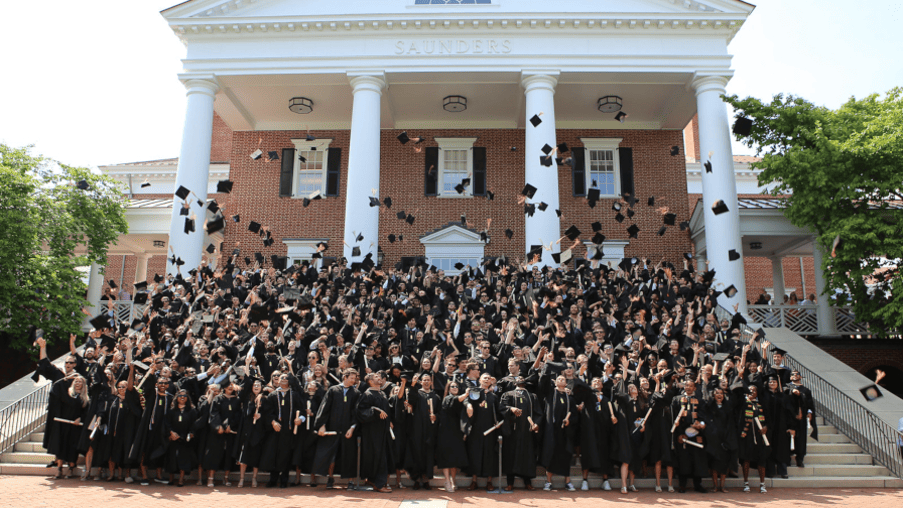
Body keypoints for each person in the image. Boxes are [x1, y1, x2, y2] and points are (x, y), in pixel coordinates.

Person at [312, 368, 360, 489]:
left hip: (348, 430)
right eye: (352, 378)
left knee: (349, 455)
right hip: (332, 429)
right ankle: (330, 478)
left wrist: (353, 428)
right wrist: (321, 425)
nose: (354, 381)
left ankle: (350, 481)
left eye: (355, 379)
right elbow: (324, 408)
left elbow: (356, 413)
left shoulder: (356, 393)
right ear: (345, 377)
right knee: (331, 455)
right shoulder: (333, 390)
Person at [356, 372, 395, 492]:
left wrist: (389, 421)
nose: (380, 378)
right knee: (378, 456)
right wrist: (375, 409)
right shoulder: (367, 394)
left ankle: (373, 480)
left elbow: (386, 409)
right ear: (371, 381)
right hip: (373, 432)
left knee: (383, 455)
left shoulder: (381, 393)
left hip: (383, 430)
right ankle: (379, 484)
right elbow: (361, 411)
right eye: (376, 377)